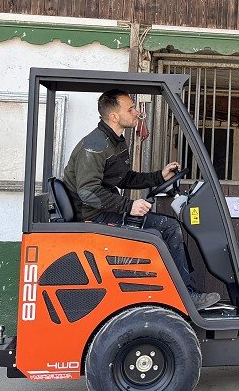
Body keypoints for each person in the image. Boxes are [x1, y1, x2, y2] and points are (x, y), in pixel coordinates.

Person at [62, 89, 221, 310]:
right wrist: (129, 206)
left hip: (104, 212)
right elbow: (88, 193)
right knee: (162, 231)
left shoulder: (115, 142)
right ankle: (183, 296)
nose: (136, 112)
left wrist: (159, 176)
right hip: (92, 218)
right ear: (114, 116)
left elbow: (124, 178)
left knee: (169, 227)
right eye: (130, 109)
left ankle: (183, 291)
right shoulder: (95, 146)